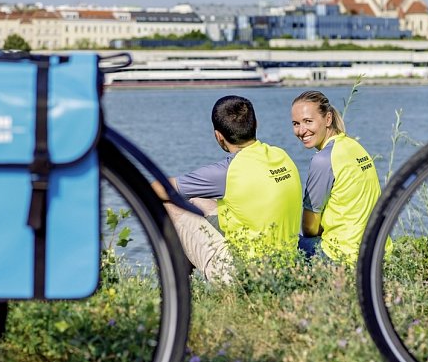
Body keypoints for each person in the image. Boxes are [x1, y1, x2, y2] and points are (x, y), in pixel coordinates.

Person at [152, 95, 302, 282]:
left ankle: (176, 289)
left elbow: (158, 189)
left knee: (169, 207)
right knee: (198, 201)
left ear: (218, 136)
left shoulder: (229, 171)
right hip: (287, 264)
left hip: (244, 273)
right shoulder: (281, 155)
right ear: (256, 124)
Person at [291, 90, 381, 263]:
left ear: (328, 119)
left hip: (343, 256)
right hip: (376, 250)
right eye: (296, 123)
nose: (301, 131)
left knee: (284, 243)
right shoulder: (354, 146)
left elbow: (310, 228)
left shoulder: (323, 159)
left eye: (308, 121)